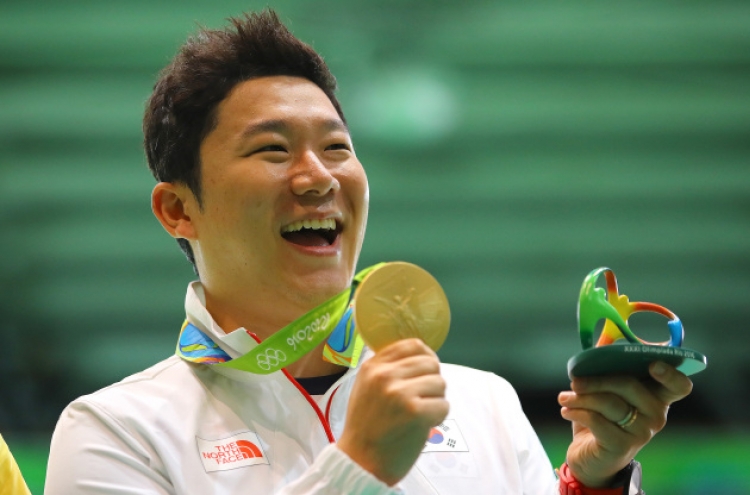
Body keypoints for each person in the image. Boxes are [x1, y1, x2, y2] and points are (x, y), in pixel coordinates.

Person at [45, 10, 692, 494]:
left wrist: (594, 477)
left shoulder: (483, 405)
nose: (318, 177)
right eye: (272, 149)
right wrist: (358, 467)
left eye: (336, 148)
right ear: (178, 210)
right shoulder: (116, 431)